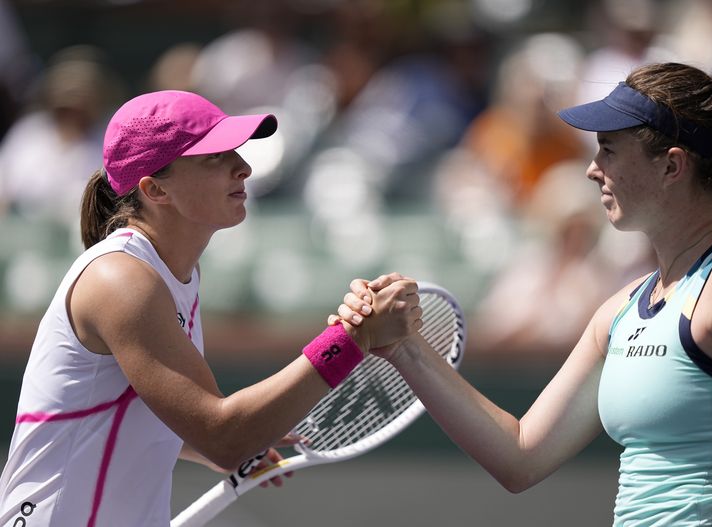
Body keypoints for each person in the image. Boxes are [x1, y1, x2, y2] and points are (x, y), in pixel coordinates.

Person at [336, 62, 712, 525]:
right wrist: (404, 346)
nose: (592, 170)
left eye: (609, 150)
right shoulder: (621, 308)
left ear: (672, 165)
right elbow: (519, 455)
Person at [0, 89, 422, 526]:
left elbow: (140, 414)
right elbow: (223, 434)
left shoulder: (175, 275)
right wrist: (353, 338)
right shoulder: (122, 282)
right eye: (214, 157)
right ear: (154, 188)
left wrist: (212, 448)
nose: (244, 167)